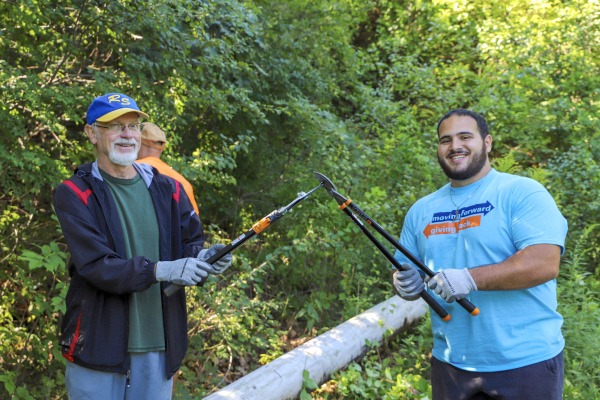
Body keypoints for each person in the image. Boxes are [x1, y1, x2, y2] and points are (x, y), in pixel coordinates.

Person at [53, 92, 231, 399]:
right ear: (92, 133)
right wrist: (161, 269)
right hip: (98, 346)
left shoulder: (170, 188)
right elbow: (96, 266)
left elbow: (189, 245)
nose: (126, 134)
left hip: (160, 348)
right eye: (114, 126)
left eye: (133, 125)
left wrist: (205, 259)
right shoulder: (74, 193)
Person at [392, 108, 568, 399]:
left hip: (526, 363)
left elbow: (544, 263)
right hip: (451, 364)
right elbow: (404, 268)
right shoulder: (421, 210)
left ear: (487, 142)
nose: (454, 146)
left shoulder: (522, 192)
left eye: (465, 136)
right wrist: (403, 283)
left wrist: (469, 279)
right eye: (445, 140)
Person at [137, 122, 200, 215]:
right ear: (162, 148)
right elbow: (193, 225)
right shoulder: (183, 183)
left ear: (137, 143)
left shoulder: (132, 171)